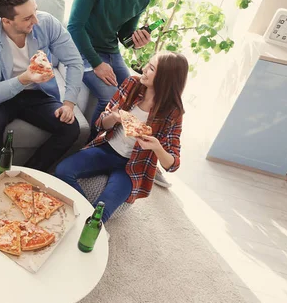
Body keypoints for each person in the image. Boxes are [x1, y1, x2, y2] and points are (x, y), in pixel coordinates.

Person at [67, 0, 172, 187]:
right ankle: (91, 148)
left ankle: (146, 157)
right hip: (82, 50)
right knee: (111, 96)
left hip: (111, 52)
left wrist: (137, 41)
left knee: (147, 92)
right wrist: (96, 63)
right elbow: (74, 27)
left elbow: (124, 37)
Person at [54, 52, 188, 223]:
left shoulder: (173, 112)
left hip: (132, 167)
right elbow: (100, 123)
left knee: (102, 211)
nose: (144, 69)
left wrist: (156, 147)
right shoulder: (132, 84)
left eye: (151, 68)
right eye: (148, 64)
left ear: (165, 78)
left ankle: (88, 224)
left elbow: (172, 164)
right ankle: (84, 219)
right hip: (106, 149)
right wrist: (114, 118)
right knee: (62, 171)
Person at [0, 0, 84, 172]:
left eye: (35, 11)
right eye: (27, 18)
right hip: (3, 95)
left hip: (38, 94)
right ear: (7, 21)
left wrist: (68, 104)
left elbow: (74, 62)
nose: (36, 20)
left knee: (71, 128)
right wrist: (25, 78)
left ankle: (26, 174)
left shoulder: (46, 23)